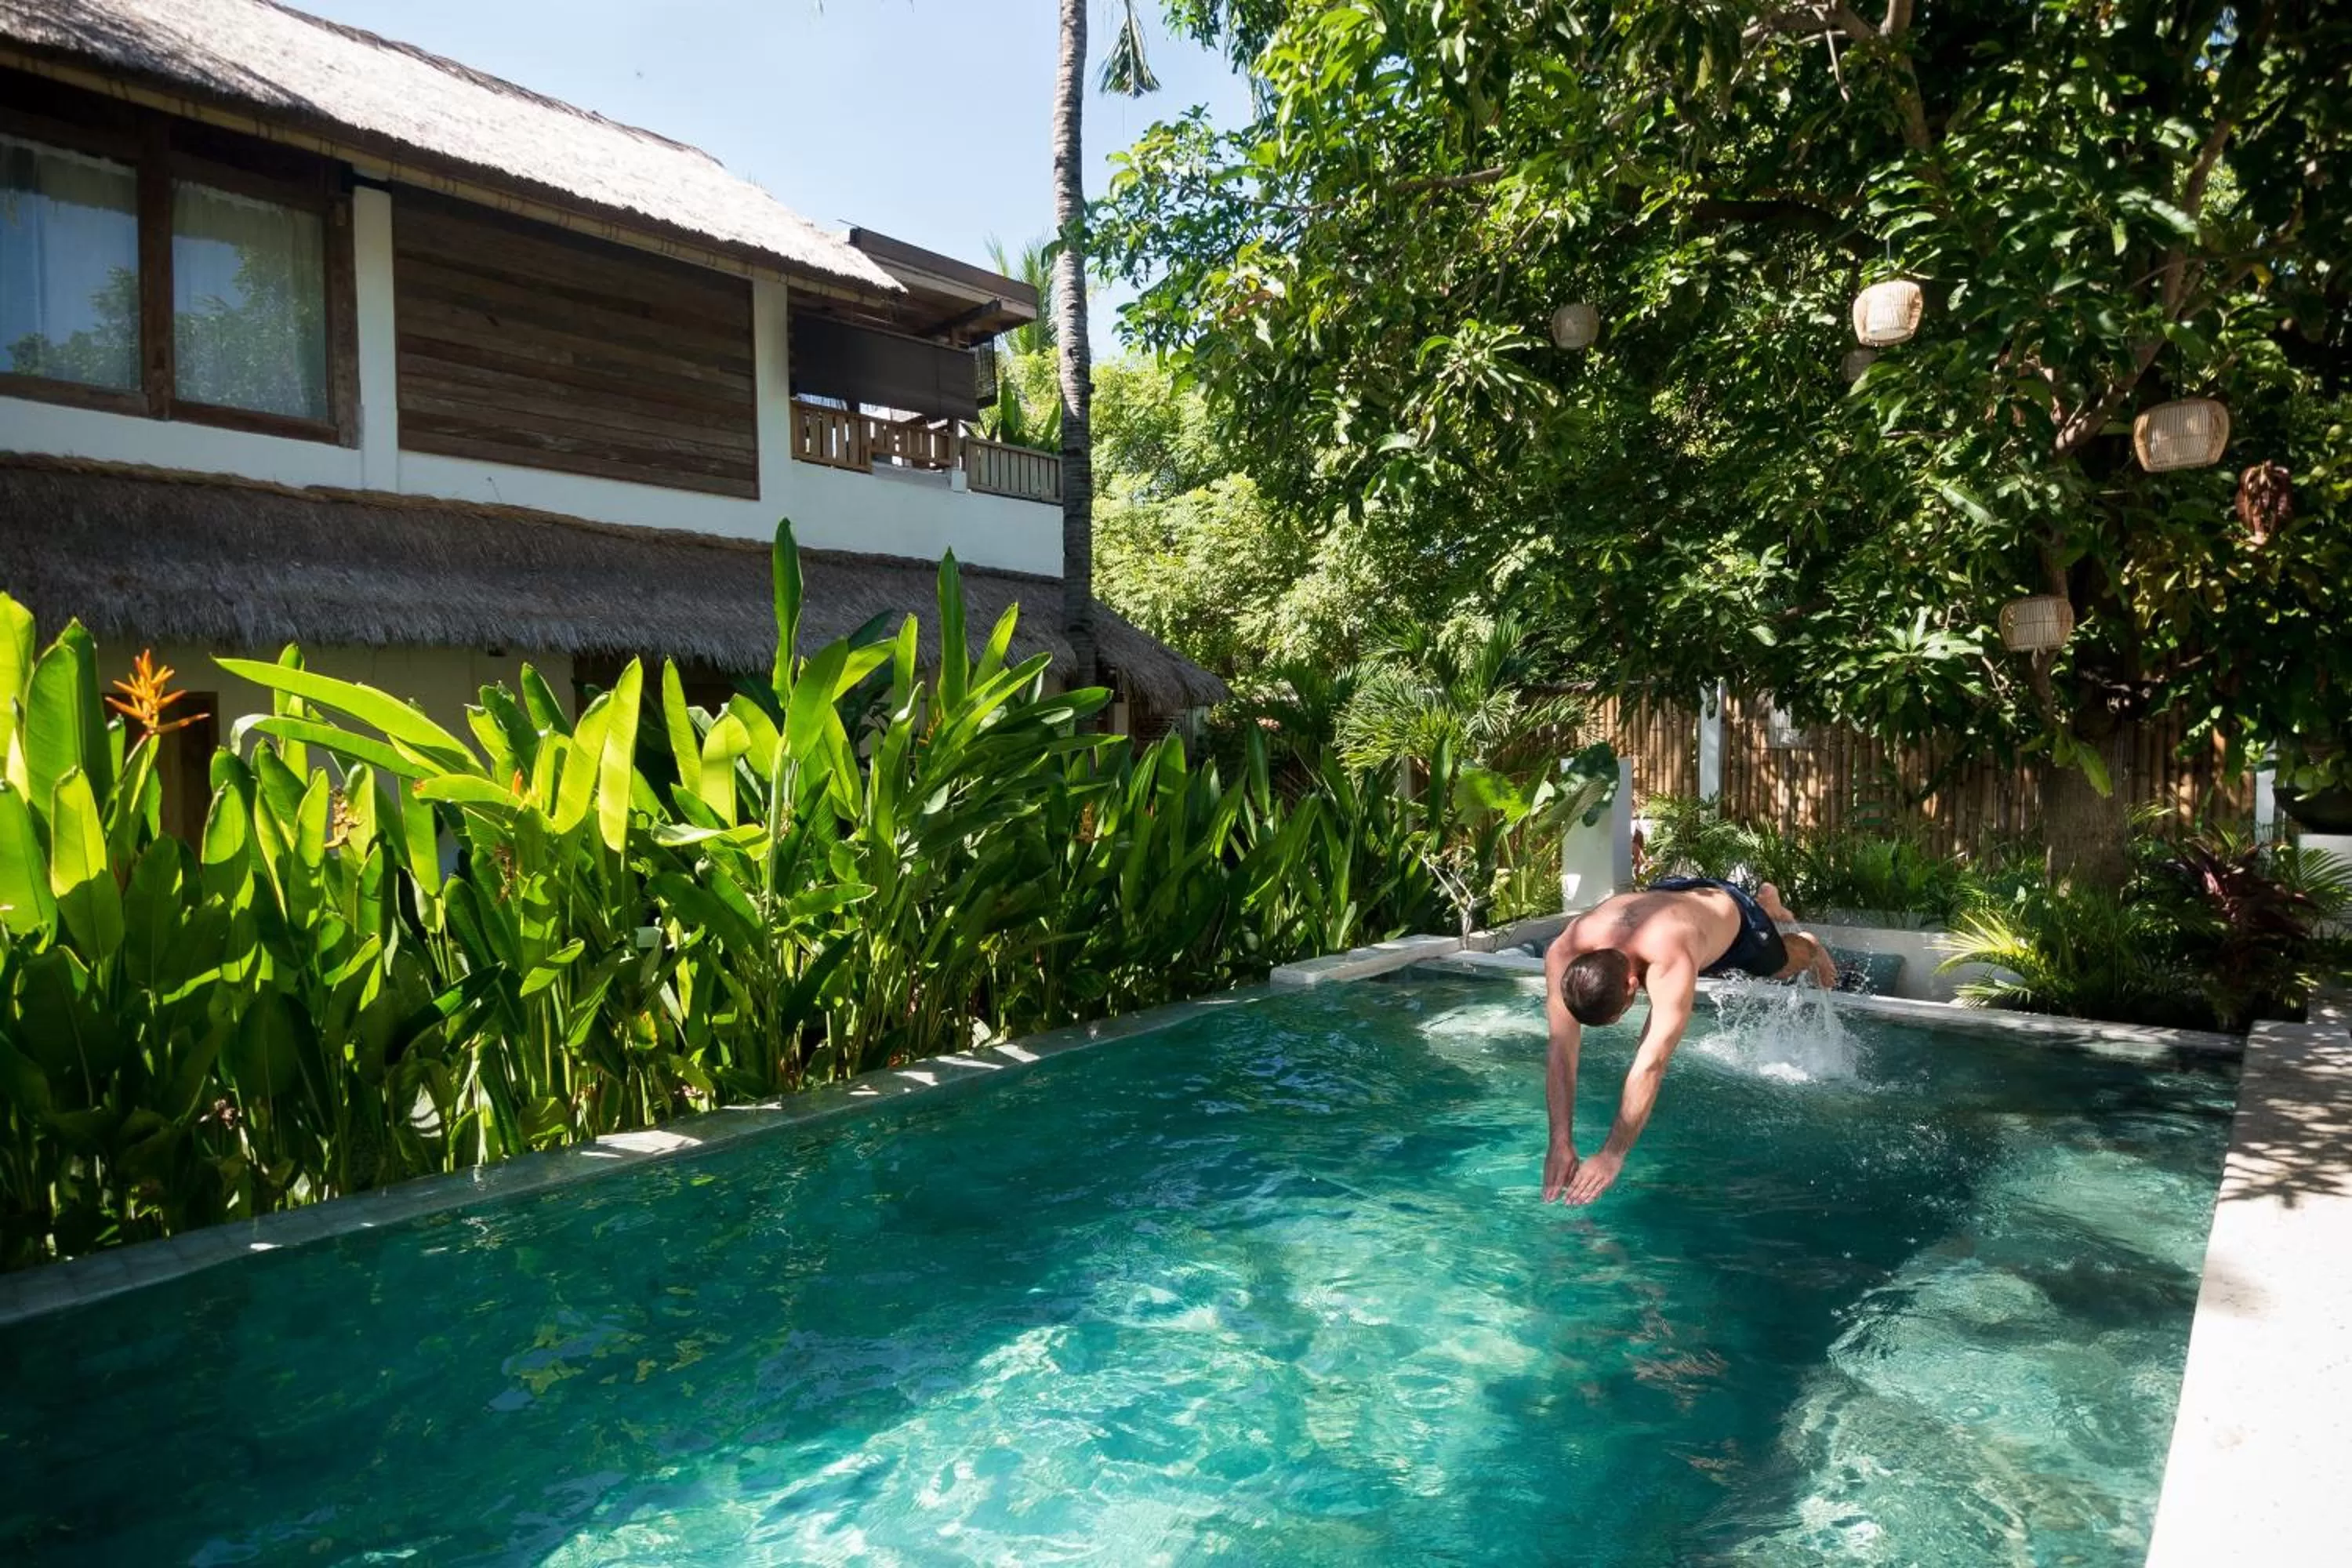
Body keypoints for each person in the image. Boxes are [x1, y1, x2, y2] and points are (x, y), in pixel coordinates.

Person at [1538, 877, 1838, 1206]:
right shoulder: (1565, 950)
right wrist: (1559, 1141)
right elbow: (1561, 1048)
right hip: (1674, 896)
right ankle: (1766, 903)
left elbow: (1651, 1063)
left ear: (1632, 983)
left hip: (1734, 920)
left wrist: (1612, 1155)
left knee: (1782, 966)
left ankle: (1806, 942)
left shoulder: (1671, 960)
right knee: (1708, 927)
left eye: (1621, 1012)